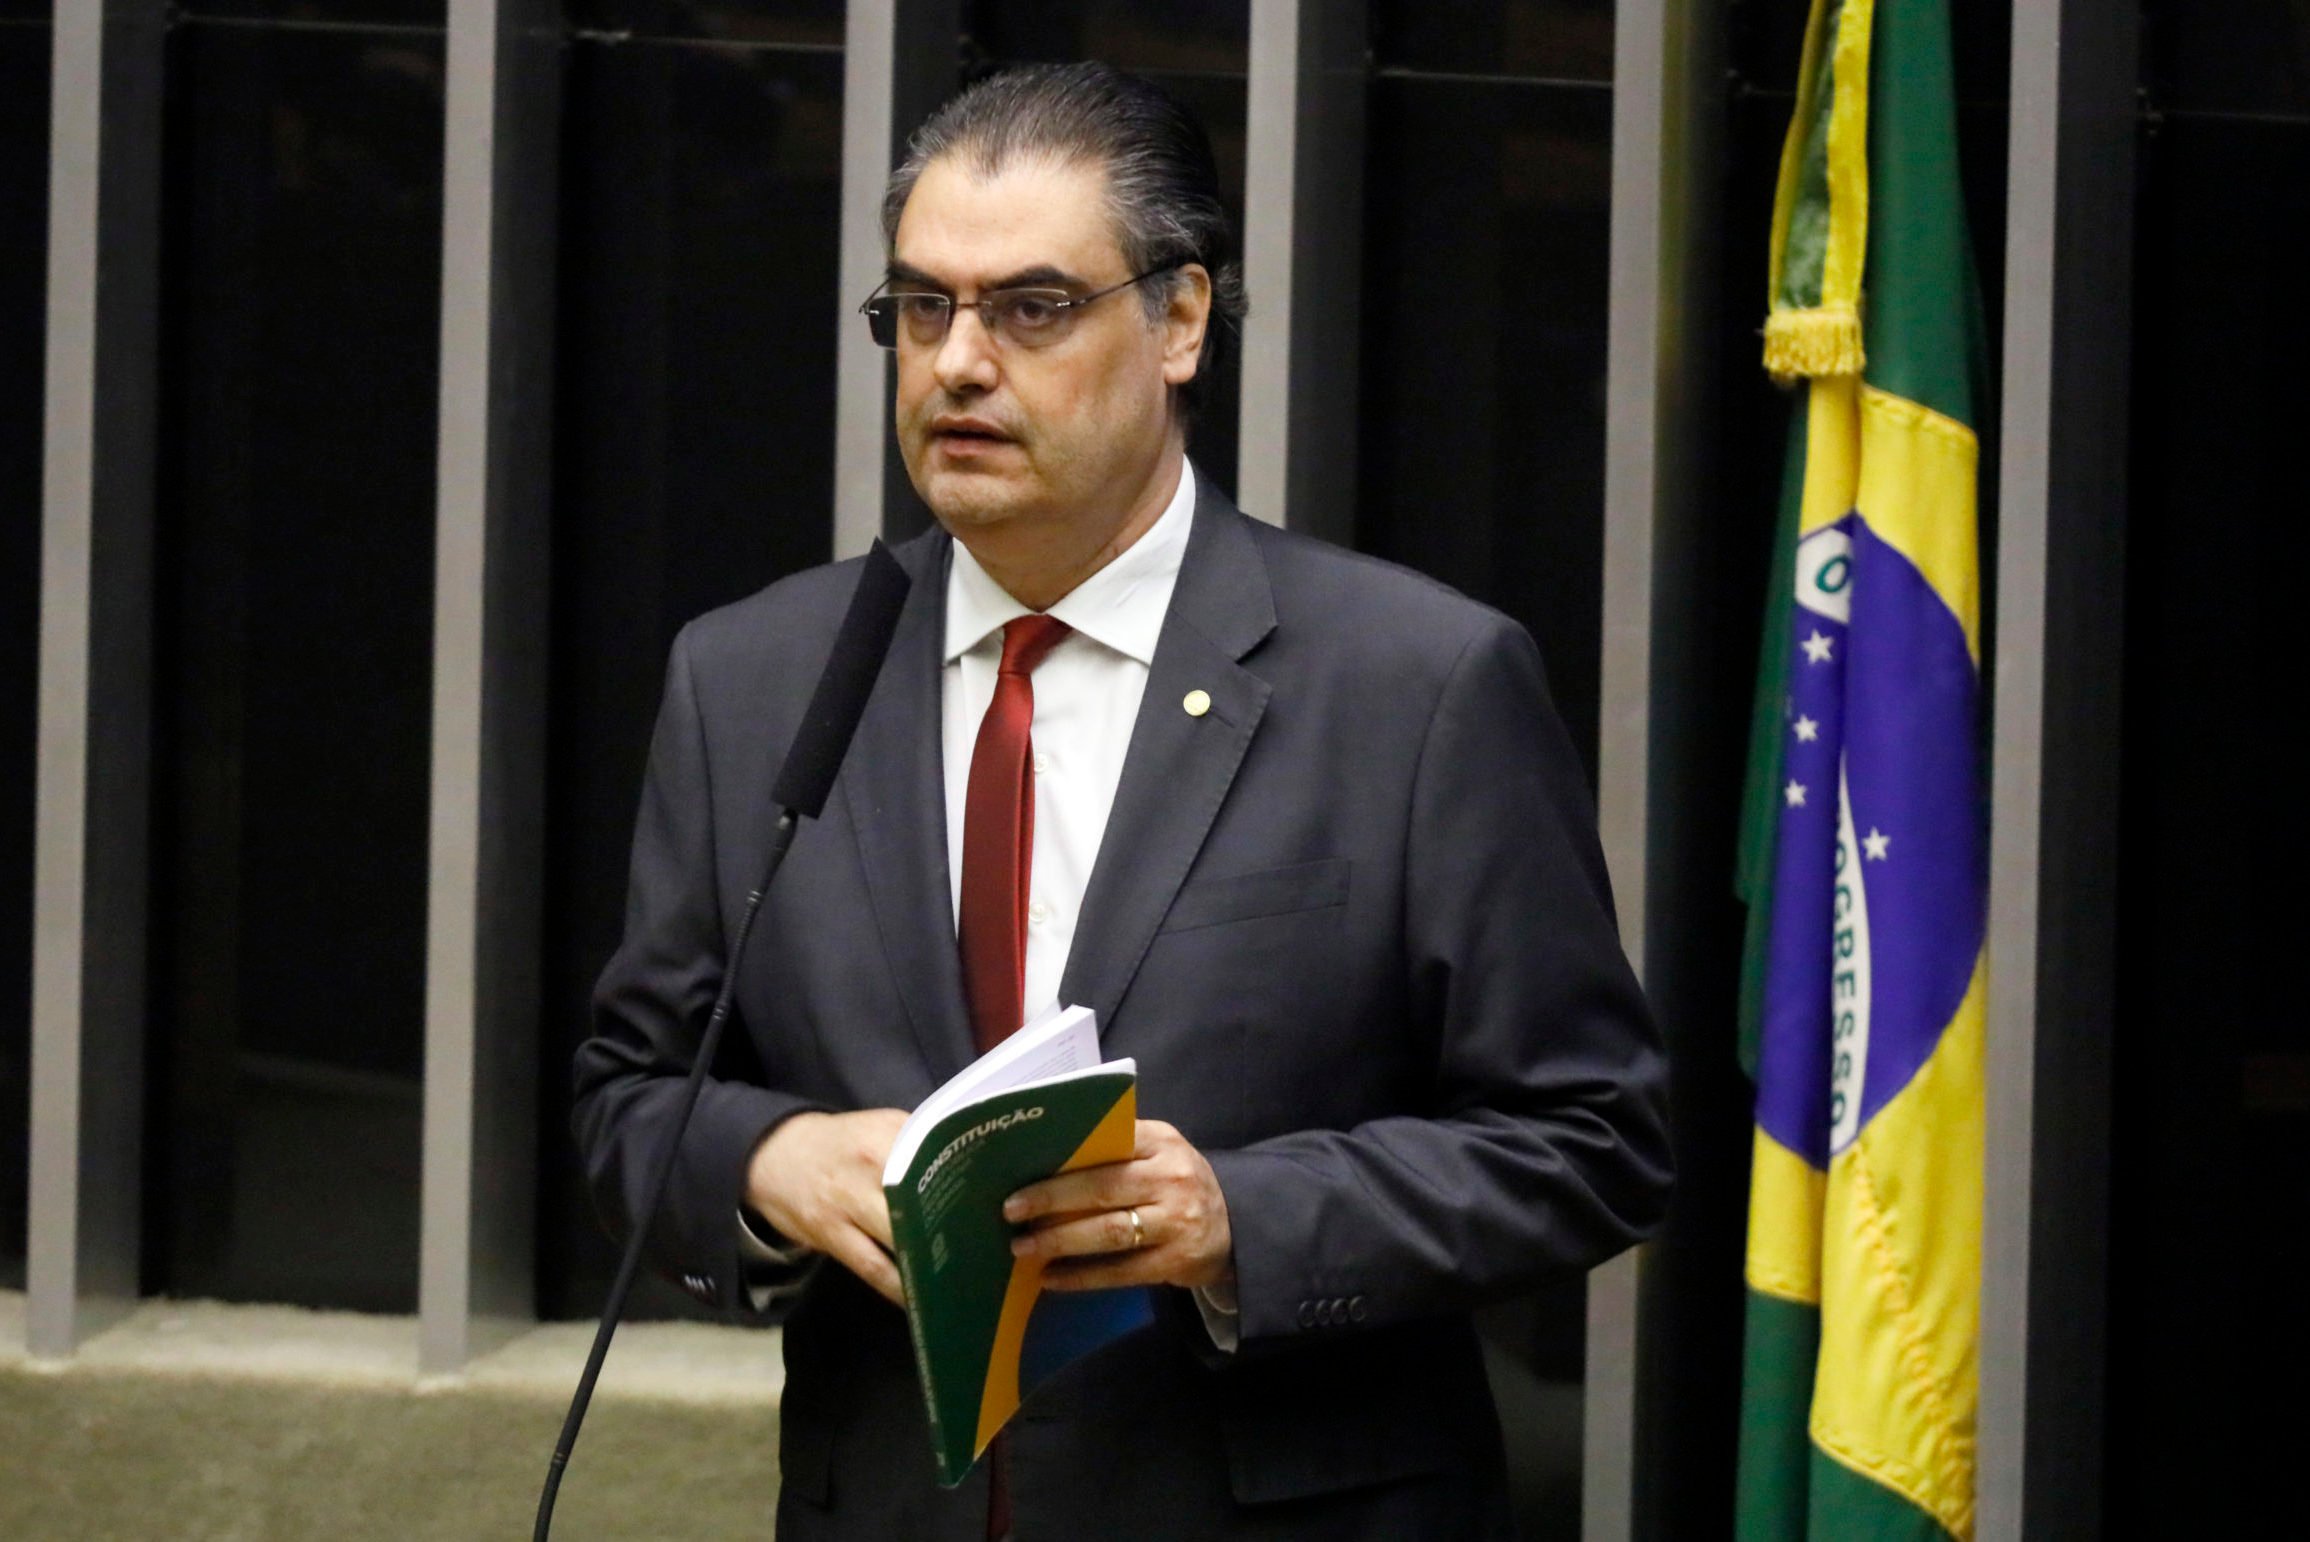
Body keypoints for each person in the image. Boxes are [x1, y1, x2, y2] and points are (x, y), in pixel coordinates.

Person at [573, 61, 1673, 1541]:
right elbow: (632, 1095)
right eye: (919, 307)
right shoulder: (756, 674)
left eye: (1030, 308)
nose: (957, 363)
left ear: (1179, 319)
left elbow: (1592, 1137)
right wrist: (769, 1163)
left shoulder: (1416, 683)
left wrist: (1240, 1218)